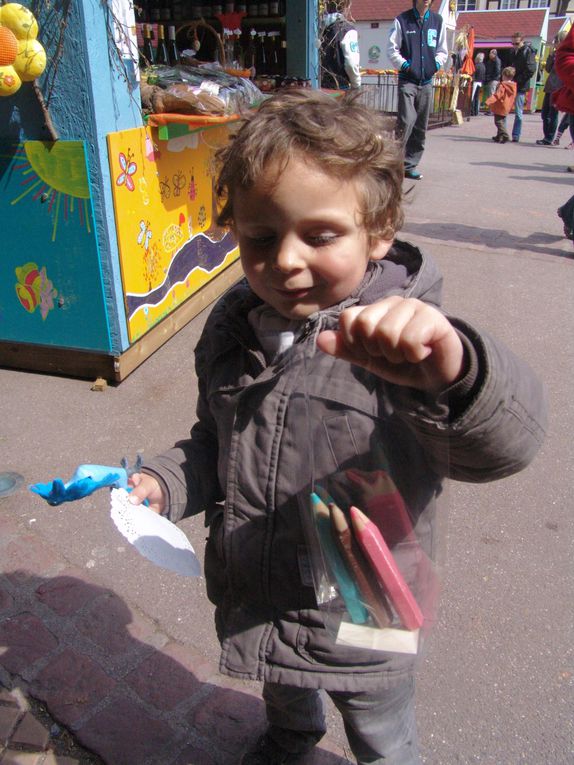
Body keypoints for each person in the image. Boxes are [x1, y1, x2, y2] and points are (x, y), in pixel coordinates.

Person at [128, 90, 547, 765]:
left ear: (377, 231)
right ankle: (290, 743)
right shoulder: (233, 327)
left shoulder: (405, 341)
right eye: (262, 237)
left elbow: (506, 443)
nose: (287, 260)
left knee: (380, 733)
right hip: (262, 586)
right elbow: (214, 441)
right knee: (286, 697)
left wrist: (457, 371)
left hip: (366, 601)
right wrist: (163, 482)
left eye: (319, 234)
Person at [387, 0, 448, 180]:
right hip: (408, 81)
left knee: (420, 126)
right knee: (405, 122)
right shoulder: (402, 21)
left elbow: (442, 50)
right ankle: (394, 164)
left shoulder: (438, 21)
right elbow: (392, 49)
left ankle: (410, 165)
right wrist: (406, 65)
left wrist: (435, 64)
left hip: (427, 81)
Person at [320, 0, 361, 90]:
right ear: (346, 6)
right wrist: (356, 84)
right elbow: (351, 64)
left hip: (318, 87)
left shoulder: (318, 29)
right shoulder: (348, 30)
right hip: (339, 88)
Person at [536, 31, 568, 145]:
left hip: (558, 87)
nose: (554, 44)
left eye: (556, 41)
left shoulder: (566, 55)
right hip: (550, 86)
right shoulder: (555, 54)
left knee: (552, 114)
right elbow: (548, 69)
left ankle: (549, 138)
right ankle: (546, 136)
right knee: (544, 114)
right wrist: (550, 55)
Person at [507, 31, 537, 143]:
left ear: (522, 41)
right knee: (504, 109)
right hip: (510, 84)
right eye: (513, 43)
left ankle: (516, 135)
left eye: (517, 43)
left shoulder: (528, 51)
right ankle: (503, 133)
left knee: (518, 112)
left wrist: (518, 80)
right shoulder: (512, 52)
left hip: (520, 85)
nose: (514, 46)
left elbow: (530, 70)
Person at [486, 66, 517, 143]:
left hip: (500, 105)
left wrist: (489, 101)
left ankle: (505, 135)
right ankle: (499, 136)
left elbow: (497, 95)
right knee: (502, 121)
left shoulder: (502, 85)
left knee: (498, 122)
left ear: (504, 76)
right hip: (507, 106)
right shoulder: (513, 86)